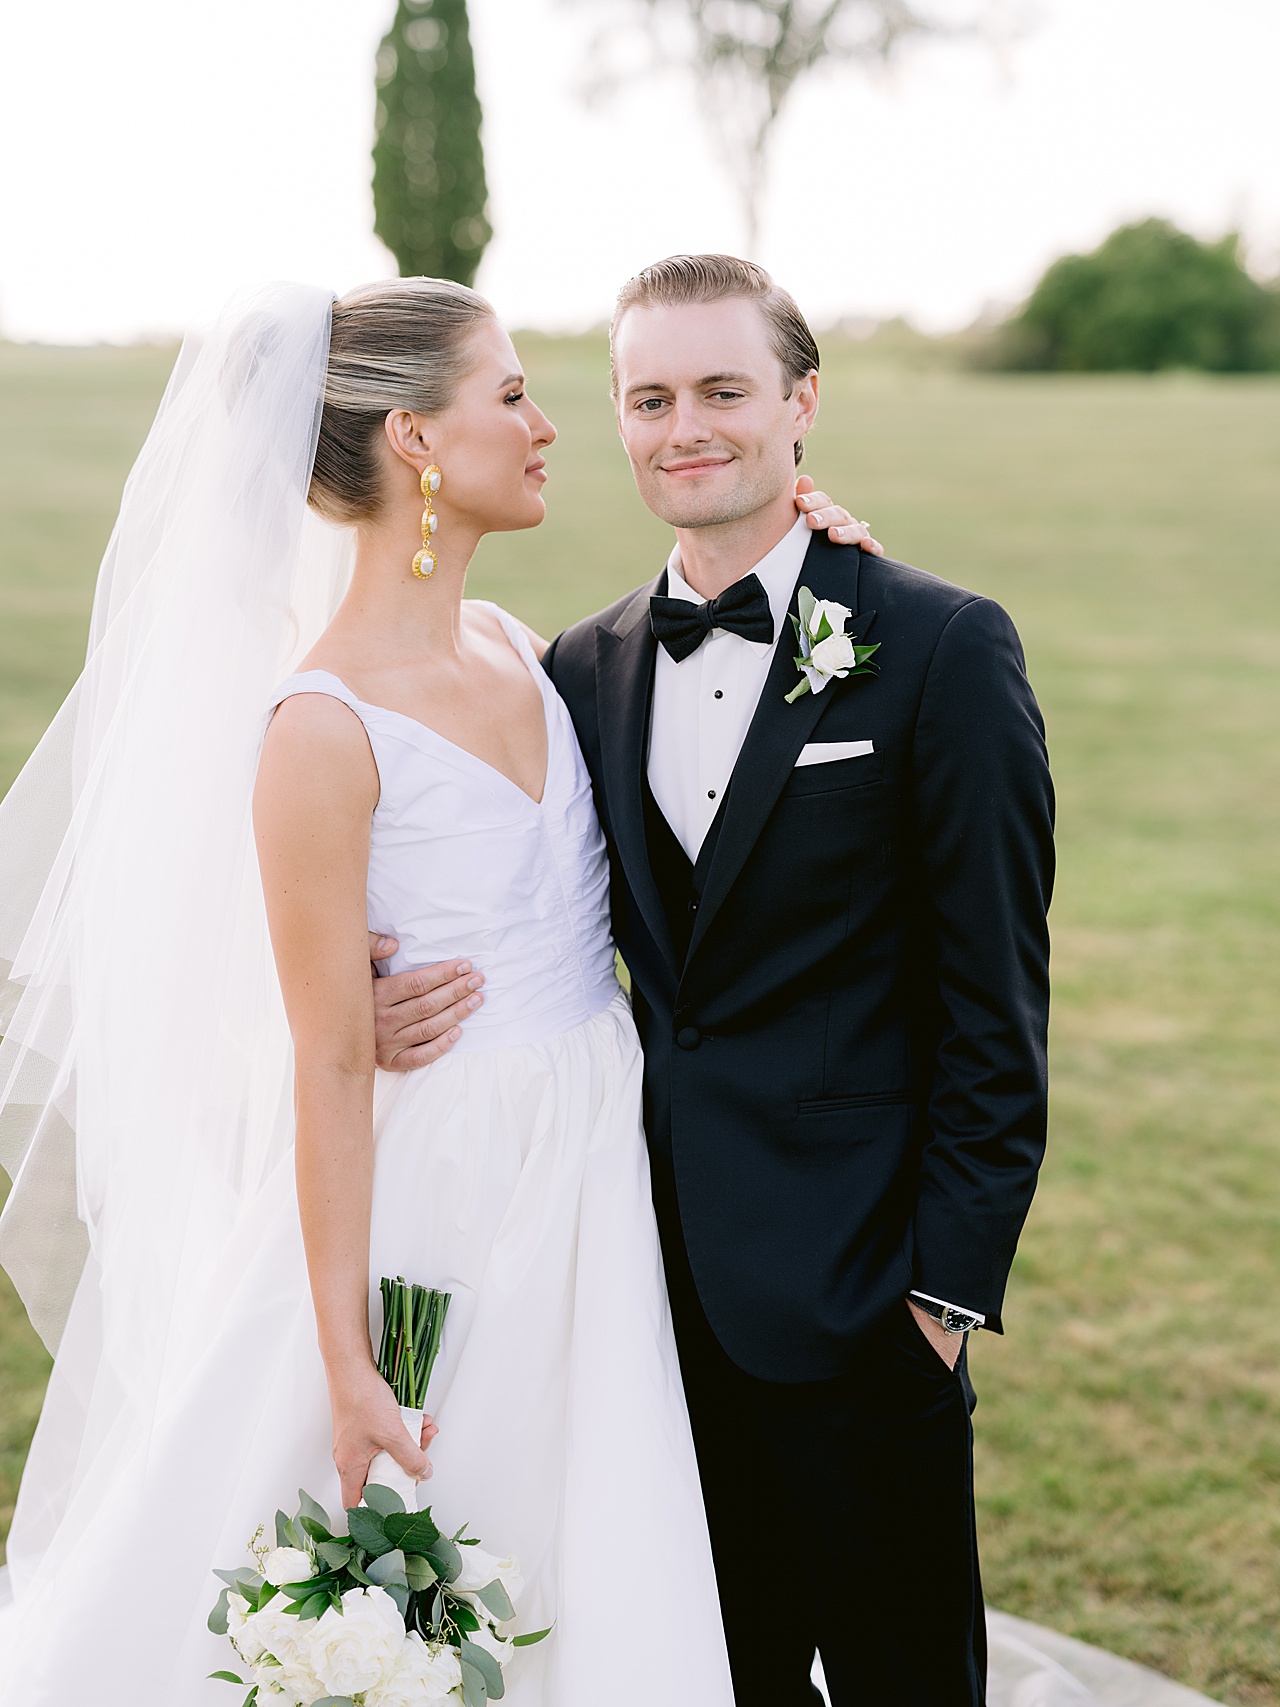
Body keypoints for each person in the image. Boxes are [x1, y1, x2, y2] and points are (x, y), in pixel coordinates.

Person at [0, 277, 871, 1703]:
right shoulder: (319, 727)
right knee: (441, 1516)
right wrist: (347, 1361)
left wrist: (819, 549)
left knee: (598, 1515)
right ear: (414, 440)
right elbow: (330, 1065)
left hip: (598, 1154)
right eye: (512, 395)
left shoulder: (525, 652)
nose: (545, 427)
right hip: (443, 1186)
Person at [372, 255, 1056, 1707]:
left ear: (802, 403)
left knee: (902, 1679)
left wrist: (942, 1298)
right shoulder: (581, 670)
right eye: (651, 397)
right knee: (696, 1674)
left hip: (868, 1307)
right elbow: (495, 895)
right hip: (637, 1294)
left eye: (725, 391)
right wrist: (370, 991)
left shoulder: (939, 648)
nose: (687, 427)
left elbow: (998, 1005)